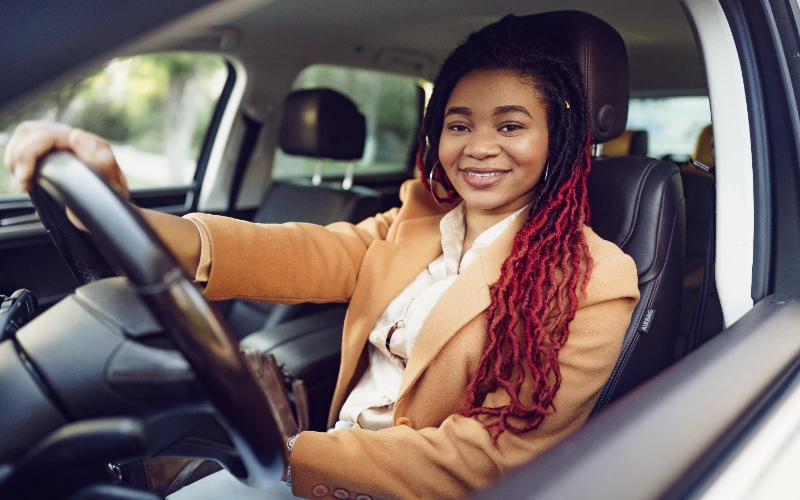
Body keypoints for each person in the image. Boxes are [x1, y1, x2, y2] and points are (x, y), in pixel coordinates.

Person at [5, 15, 639, 500]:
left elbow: (490, 459)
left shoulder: (593, 278)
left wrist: (296, 457)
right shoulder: (414, 224)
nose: (477, 147)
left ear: (557, 139)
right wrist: (125, 214)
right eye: (458, 124)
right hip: (317, 460)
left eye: (509, 126)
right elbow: (289, 252)